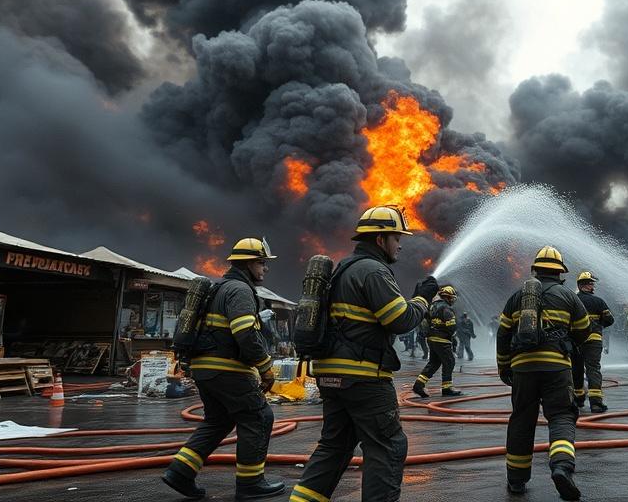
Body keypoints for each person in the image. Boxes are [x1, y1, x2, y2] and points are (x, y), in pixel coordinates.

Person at [291, 205, 437, 502]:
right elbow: (401, 320)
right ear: (381, 239)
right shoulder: (373, 271)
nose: (400, 245)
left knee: (335, 447)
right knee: (387, 446)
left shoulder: (344, 268)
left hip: (331, 376)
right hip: (364, 379)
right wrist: (422, 298)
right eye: (397, 238)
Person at [162, 237, 285, 500]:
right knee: (258, 417)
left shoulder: (218, 289)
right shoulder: (239, 290)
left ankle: (180, 472)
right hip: (227, 369)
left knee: (218, 421)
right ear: (248, 263)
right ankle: (251, 484)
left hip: (205, 369)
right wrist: (265, 367)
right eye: (262, 263)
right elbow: (245, 333)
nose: (265, 268)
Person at [497, 246, 591, 501]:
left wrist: (504, 366)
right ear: (560, 273)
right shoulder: (569, 297)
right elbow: (584, 330)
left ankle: (516, 480)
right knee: (561, 416)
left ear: (535, 270)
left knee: (521, 420)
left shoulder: (517, 297)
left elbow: (503, 333)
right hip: (557, 368)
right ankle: (561, 466)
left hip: (523, 369)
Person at [571, 271, 614, 412]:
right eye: (591, 283)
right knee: (593, 369)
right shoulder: (598, 301)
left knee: (576, 369)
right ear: (587, 285)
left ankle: (578, 399)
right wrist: (598, 324)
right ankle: (596, 403)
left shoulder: (572, 300)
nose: (593, 286)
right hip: (593, 340)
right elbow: (609, 320)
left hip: (576, 341)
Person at [413, 285, 462, 397]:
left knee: (434, 363)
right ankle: (447, 388)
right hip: (442, 340)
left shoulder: (432, 306)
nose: (453, 300)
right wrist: (452, 337)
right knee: (449, 362)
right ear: (448, 297)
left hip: (431, 339)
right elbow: (451, 326)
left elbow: (426, 322)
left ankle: (418, 385)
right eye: (452, 298)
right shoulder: (446, 308)